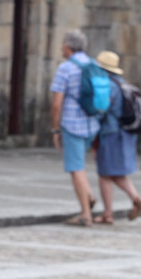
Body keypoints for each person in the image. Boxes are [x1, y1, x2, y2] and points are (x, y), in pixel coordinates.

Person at [50, 30, 101, 226]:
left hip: (73, 124)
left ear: (68, 47)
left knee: (75, 167)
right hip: (92, 122)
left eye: (63, 44)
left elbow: (56, 104)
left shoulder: (66, 68)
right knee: (79, 163)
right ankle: (88, 194)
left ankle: (85, 214)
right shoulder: (94, 64)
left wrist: (55, 129)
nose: (61, 47)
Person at [91, 50, 141, 225]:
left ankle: (108, 213)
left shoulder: (106, 86)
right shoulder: (123, 84)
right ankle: (135, 198)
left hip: (110, 134)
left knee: (105, 173)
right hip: (127, 134)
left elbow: (100, 111)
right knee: (117, 172)